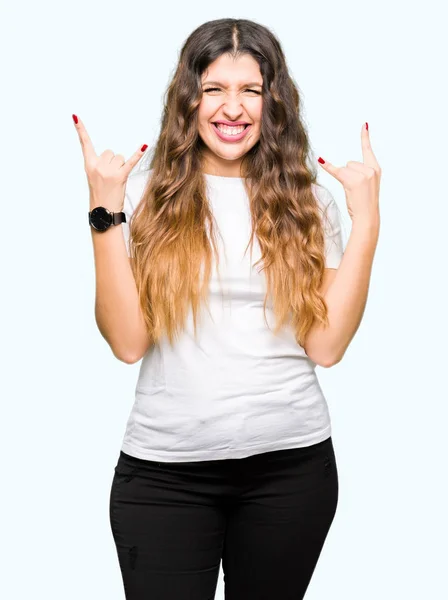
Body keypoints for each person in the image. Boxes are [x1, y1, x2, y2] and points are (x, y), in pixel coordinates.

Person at [74, 17, 381, 600]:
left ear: (274, 103)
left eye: (251, 91)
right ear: (188, 99)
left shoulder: (309, 201)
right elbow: (127, 343)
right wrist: (104, 215)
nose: (232, 108)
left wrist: (367, 220)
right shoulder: (140, 195)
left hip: (290, 472)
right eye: (214, 89)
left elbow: (327, 346)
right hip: (165, 474)